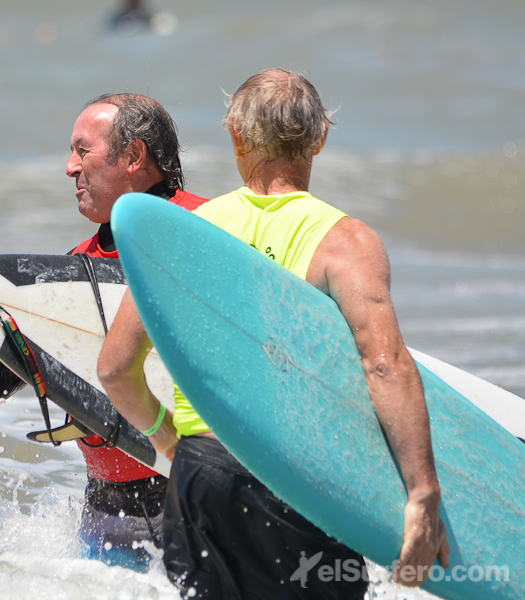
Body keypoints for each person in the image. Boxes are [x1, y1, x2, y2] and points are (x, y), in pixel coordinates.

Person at [98, 69, 450, 598]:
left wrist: (170, 442)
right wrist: (422, 492)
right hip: (298, 477)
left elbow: (114, 368)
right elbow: (384, 364)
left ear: (235, 136)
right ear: (321, 138)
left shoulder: (185, 231)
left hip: (200, 478)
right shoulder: (345, 242)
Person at [0, 93, 208, 570]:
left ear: (133, 156)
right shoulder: (77, 269)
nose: (69, 167)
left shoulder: (211, 230)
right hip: (108, 510)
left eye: (83, 150)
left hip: (196, 492)